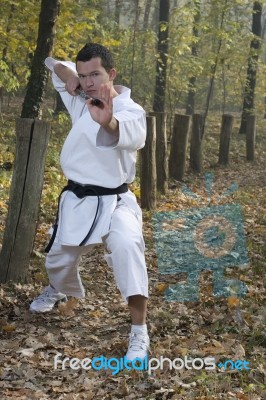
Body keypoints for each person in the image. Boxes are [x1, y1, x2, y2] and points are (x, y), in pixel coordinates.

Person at [29, 43, 149, 361]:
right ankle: (58, 288)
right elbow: (52, 63)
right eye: (84, 76)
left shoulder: (130, 110)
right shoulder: (80, 97)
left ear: (111, 73)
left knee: (127, 246)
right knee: (57, 261)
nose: (89, 82)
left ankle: (139, 332)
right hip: (78, 199)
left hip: (116, 200)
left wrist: (107, 121)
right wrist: (70, 76)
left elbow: (133, 136)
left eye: (94, 74)